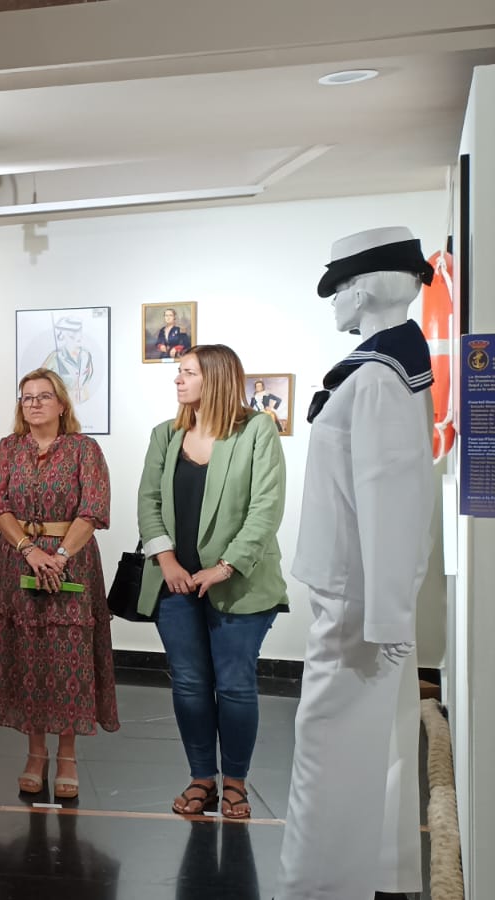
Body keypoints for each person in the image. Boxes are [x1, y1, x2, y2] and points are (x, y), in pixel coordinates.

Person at [281, 227, 437, 899]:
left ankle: (317, 887)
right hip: (362, 595)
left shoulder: (376, 379)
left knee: (327, 752)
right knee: (378, 744)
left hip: (355, 603)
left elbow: (389, 498)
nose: (335, 301)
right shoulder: (385, 370)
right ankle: (382, 873)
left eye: (339, 287)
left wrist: (387, 619)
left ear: (366, 290)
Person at [137, 344, 287, 820]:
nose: (177, 380)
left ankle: (235, 783)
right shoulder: (165, 435)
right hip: (175, 584)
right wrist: (167, 562)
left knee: (236, 685)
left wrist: (224, 567)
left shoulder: (257, 430)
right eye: (178, 372)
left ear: (216, 378)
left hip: (239, 583)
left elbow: (266, 509)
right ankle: (201, 777)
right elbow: (148, 503)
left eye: (187, 373)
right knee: (189, 684)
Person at [0, 368, 117, 800]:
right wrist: (29, 550)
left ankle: (68, 756)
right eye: (27, 397)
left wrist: (58, 556)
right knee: (28, 655)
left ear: (61, 404)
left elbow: (93, 510)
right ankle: (35, 754)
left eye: (43, 396)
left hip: (71, 563)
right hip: (17, 561)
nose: (35, 403)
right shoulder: (8, 448)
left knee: (68, 658)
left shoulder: (84, 450)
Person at [42, 316, 94, 403]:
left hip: (86, 401)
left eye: (79, 331)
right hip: (64, 403)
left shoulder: (86, 355)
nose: (78, 336)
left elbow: (88, 377)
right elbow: (40, 379)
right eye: (73, 333)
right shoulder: (55, 357)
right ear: (63, 334)